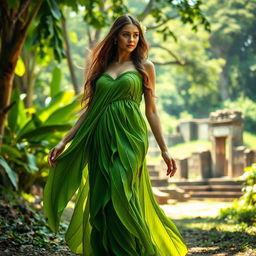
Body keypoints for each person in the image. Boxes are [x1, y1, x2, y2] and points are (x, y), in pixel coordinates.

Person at [44, 14, 188, 256]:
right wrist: (63, 141)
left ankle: (134, 249)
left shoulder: (145, 67)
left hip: (131, 138)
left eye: (136, 35)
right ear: (115, 37)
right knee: (104, 195)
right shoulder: (101, 67)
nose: (132, 39)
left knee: (123, 190)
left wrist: (164, 149)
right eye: (126, 34)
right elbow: (89, 111)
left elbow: (151, 111)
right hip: (99, 137)